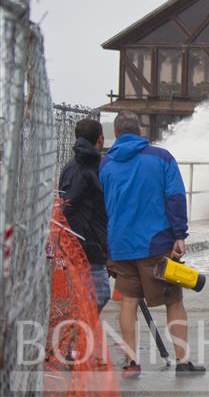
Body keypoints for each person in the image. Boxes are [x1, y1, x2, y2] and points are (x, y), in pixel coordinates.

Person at [99, 111, 205, 378]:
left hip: (120, 245)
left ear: (117, 133)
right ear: (140, 130)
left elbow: (102, 206)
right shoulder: (161, 158)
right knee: (174, 301)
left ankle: (131, 363)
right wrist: (180, 234)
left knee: (128, 302)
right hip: (155, 243)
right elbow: (175, 197)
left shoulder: (105, 163)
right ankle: (183, 361)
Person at [58, 119, 110, 312]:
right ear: (101, 139)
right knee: (99, 294)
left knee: (84, 295)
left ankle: (79, 333)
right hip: (89, 241)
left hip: (75, 241)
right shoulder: (92, 166)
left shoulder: (71, 166)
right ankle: (79, 335)